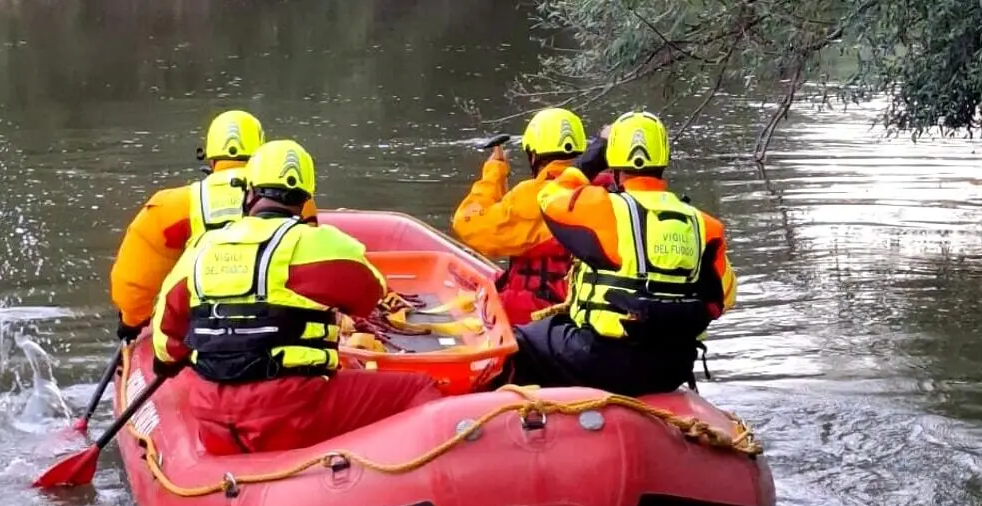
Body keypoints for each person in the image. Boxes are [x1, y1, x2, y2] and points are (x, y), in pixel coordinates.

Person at [150, 139, 441, 454]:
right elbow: (370, 295)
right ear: (305, 200)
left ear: (249, 193)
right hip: (290, 415)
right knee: (419, 389)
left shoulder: (200, 249)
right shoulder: (322, 244)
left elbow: (165, 342)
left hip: (214, 421)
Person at [492, 110, 737, 397]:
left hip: (604, 361)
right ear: (663, 159)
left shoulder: (605, 210)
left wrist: (595, 152)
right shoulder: (705, 225)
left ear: (614, 162)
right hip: (673, 367)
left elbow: (549, 196)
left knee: (518, 341)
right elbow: (726, 297)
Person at [109, 109, 320, 340]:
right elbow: (309, 268)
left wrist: (132, 322)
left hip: (200, 327)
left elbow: (135, 281)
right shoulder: (297, 203)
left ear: (209, 156)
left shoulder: (170, 207)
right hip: (272, 324)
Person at [452, 107, 607, 327]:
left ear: (533, 155)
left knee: (475, 306)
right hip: (586, 309)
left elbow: (469, 224)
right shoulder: (605, 189)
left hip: (536, 312)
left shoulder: (532, 196)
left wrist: (494, 172)